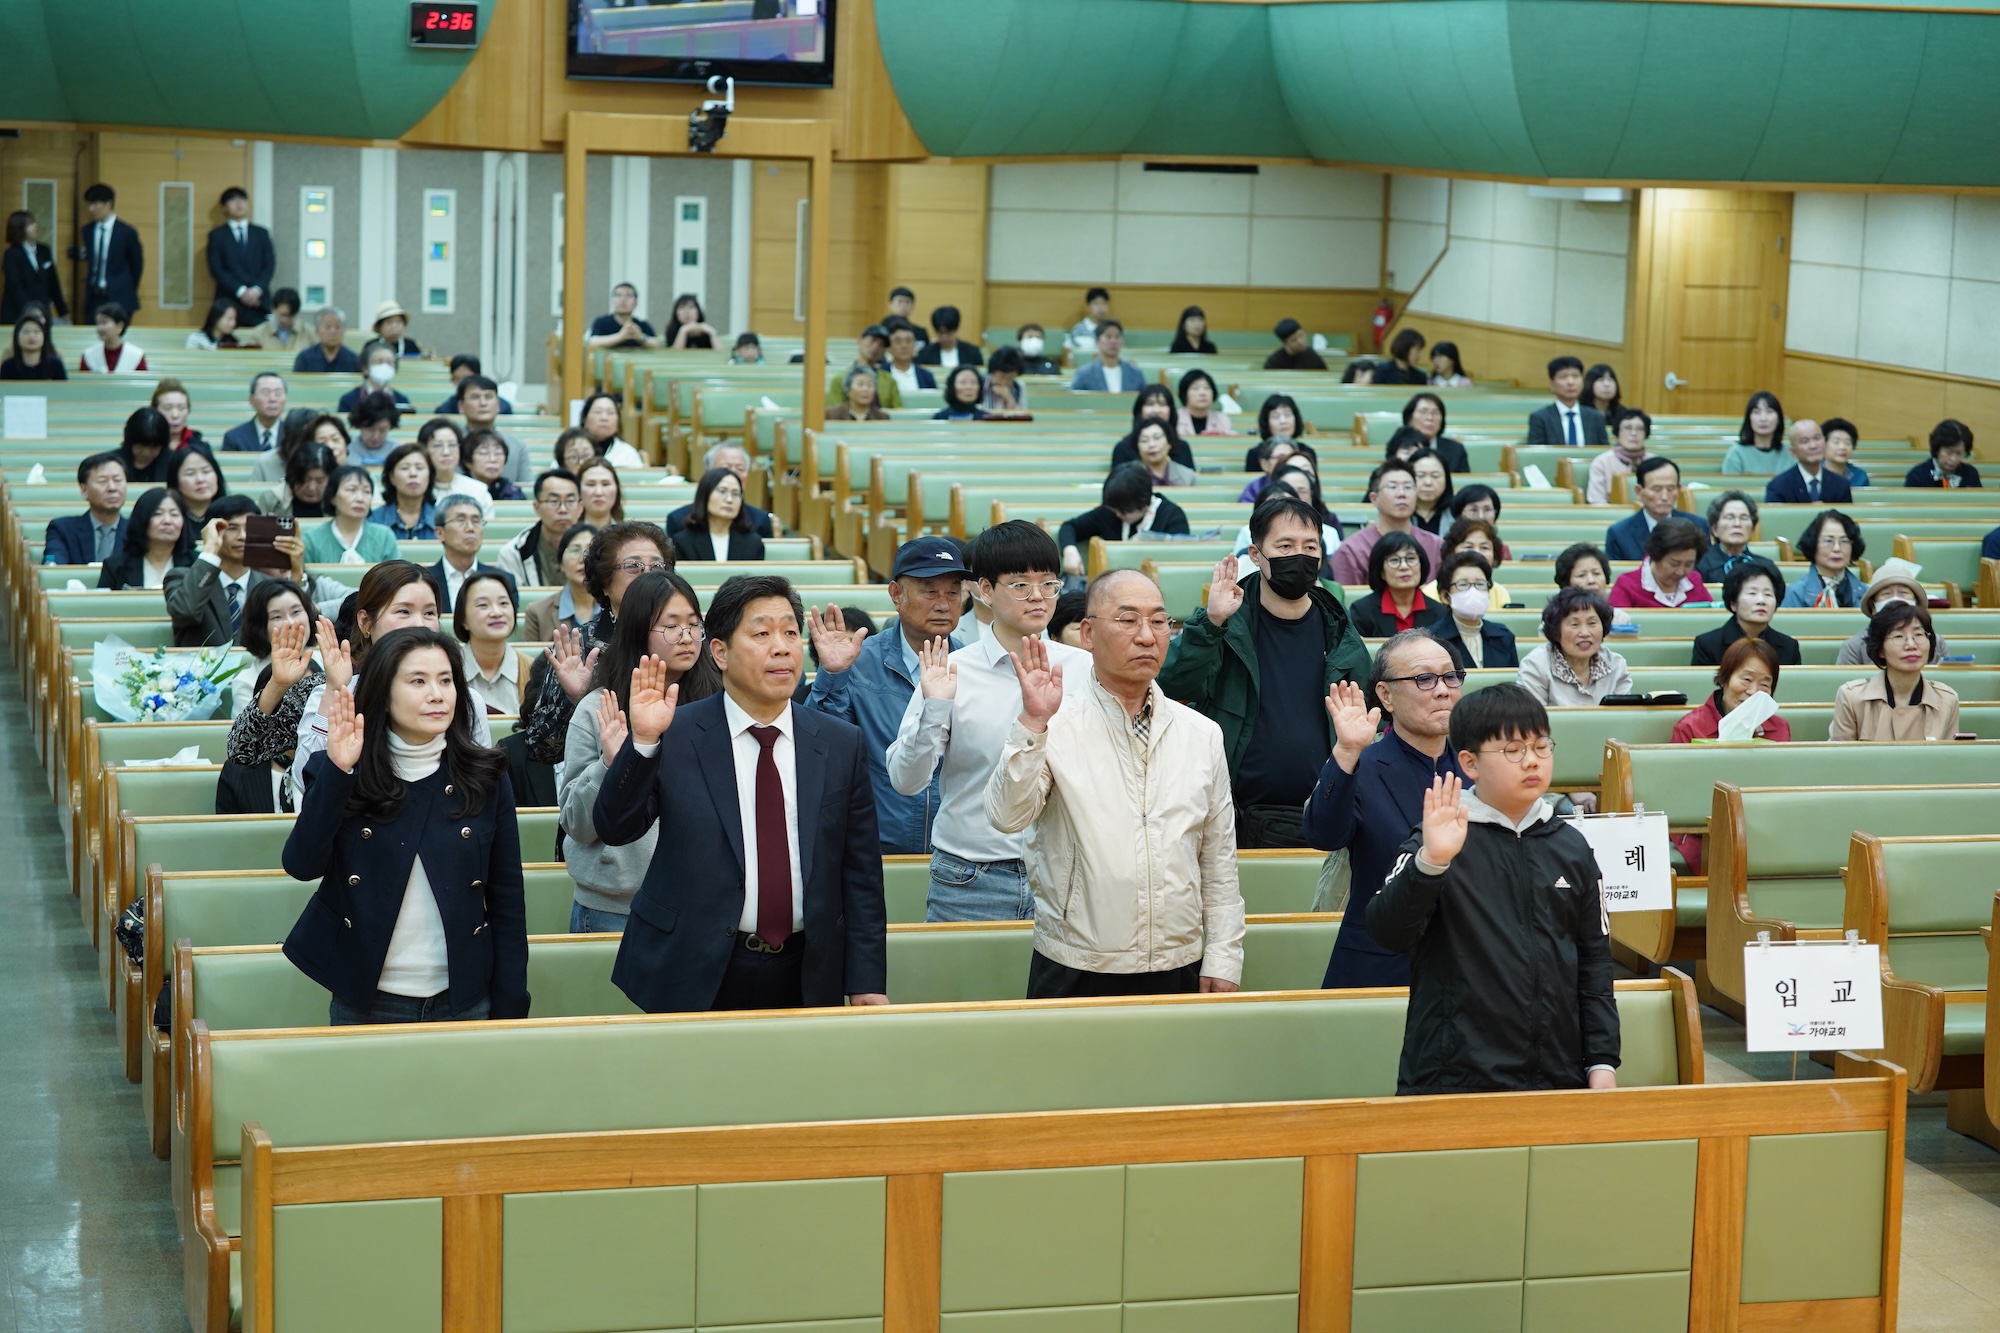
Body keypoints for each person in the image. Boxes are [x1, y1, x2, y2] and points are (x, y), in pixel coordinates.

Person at [591, 575, 890, 1012]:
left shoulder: (840, 744)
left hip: (805, 969)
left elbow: (861, 875)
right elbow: (615, 827)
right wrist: (643, 744)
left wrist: (866, 979)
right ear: (720, 652)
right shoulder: (677, 732)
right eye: (762, 634)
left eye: (790, 632)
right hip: (691, 965)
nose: (782, 647)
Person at [988, 572, 1245, 998]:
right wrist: (1032, 724)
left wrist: (1223, 954)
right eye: (1128, 620)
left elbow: (1218, 861)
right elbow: (1006, 816)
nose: (1146, 636)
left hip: (1178, 960)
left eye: (1159, 622)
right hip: (1076, 961)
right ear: (1088, 634)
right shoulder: (1053, 724)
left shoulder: (1201, 733)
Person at [1368, 687, 1620, 1095]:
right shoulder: (1440, 839)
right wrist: (1431, 862)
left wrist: (1602, 1061)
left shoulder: (1571, 846)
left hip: (1557, 1075)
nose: (1532, 760)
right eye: (1513, 750)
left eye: (1541, 746)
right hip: (1453, 1077)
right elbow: (1387, 932)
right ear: (1470, 763)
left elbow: (1594, 961)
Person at [280, 625, 527, 1025]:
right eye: (418, 681)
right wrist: (339, 771)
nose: (437, 694)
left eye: (445, 680)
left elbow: (507, 897)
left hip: (464, 996)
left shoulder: (486, 775)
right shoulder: (341, 770)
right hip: (368, 998)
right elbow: (301, 864)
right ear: (384, 691)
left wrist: (512, 1004)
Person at [886, 523, 1091, 919]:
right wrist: (935, 709)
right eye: (1020, 585)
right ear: (985, 589)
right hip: (970, 878)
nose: (1038, 596)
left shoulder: (1084, 669)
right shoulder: (952, 670)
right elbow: (905, 781)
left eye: (1049, 583)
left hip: (1065, 876)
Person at [1159, 495, 1370, 847]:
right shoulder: (1225, 624)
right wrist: (1211, 622)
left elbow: (1364, 718)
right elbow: (1174, 685)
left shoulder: (1339, 629)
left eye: (1310, 547)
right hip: (1233, 816)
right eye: (1285, 546)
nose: (1299, 556)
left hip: (1326, 813)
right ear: (1256, 555)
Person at [560, 571, 724, 931]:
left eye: (694, 625)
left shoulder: (720, 706)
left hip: (701, 903)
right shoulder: (599, 708)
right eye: (671, 626)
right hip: (614, 908)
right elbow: (575, 824)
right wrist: (609, 765)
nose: (686, 637)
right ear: (637, 631)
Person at [1309, 633, 1467, 987]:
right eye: (1424, 679)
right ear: (1385, 695)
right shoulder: (1361, 766)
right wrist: (1346, 752)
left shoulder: (1479, 767)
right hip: (1381, 967)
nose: (1443, 690)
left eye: (1450, 676)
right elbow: (1323, 834)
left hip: (1468, 969)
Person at [804, 538, 968, 855]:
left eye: (953, 592)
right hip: (875, 845)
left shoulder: (973, 665)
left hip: (959, 851)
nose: (943, 604)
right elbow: (821, 746)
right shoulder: (858, 661)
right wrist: (833, 675)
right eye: (929, 591)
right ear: (896, 594)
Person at [519, 520, 676, 764]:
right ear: (605, 583)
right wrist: (575, 700)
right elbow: (541, 749)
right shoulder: (580, 647)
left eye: (657, 566)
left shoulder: (686, 636)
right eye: (633, 566)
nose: (648, 575)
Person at [1831, 603, 1960, 741]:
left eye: (1918, 634)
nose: (1911, 645)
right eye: (1898, 636)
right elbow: (1841, 754)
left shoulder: (1947, 699)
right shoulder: (1852, 698)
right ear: (1880, 649)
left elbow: (1949, 754)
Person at [164, 497, 272, 647]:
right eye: (232, 528)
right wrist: (210, 548)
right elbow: (185, 612)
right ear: (212, 531)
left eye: (250, 528)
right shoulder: (181, 578)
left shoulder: (269, 585)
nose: (242, 536)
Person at [1056, 464, 1189, 576]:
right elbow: (1070, 526)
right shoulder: (1110, 511)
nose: (1118, 514)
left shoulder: (1172, 515)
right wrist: (1069, 550)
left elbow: (1181, 558)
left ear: (1144, 503)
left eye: (1124, 511)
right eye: (1115, 510)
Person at [1326, 459, 1442, 585]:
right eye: (1392, 487)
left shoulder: (1436, 545)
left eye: (1408, 487)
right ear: (1374, 498)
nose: (1402, 494)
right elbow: (1347, 596)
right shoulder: (1351, 550)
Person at [1517, 588, 1633, 706]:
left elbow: (1624, 715)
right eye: (1574, 624)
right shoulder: (1536, 666)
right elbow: (1532, 716)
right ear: (1556, 632)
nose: (1585, 633)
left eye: (1592, 623)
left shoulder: (1616, 665)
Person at [1672, 638, 1791, 744]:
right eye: (1747, 679)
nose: (1753, 691)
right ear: (1724, 679)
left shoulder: (1780, 727)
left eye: (1764, 684)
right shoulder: (1690, 728)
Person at [1692, 559, 1800, 667]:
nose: (1761, 601)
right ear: (1733, 603)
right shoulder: (1708, 644)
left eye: (1768, 594)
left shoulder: (1789, 647)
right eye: (1752, 593)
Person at [1422, 551, 1517, 669]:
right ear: (1445, 596)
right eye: (1463, 584)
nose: (1473, 591)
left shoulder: (1503, 636)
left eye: (1480, 584)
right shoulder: (1433, 639)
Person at [1603, 456, 1710, 561]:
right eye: (1656, 489)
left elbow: (1705, 568)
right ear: (1639, 491)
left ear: (1678, 489)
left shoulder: (1698, 526)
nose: (1664, 497)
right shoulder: (1619, 533)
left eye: (1670, 489)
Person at [1836, 565, 1945, 666]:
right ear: (1873, 607)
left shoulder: (1937, 642)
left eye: (1903, 593)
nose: (1895, 599)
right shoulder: (1853, 647)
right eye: (1886, 594)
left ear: (1916, 602)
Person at [452, 572, 528, 714]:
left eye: (503, 603)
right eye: (483, 605)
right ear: (463, 619)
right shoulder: (448, 670)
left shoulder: (532, 670)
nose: (497, 612)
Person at [666, 444, 777, 537]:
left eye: (740, 469)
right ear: (707, 473)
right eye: (725, 468)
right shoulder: (678, 520)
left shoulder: (760, 521)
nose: (733, 474)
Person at [498, 469, 582, 587]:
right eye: (553, 501)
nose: (563, 509)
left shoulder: (597, 549)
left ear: (580, 508)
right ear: (536, 508)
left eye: (570, 501)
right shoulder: (513, 553)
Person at [204, 187, 275, 324]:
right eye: (232, 200)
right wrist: (241, 291)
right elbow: (216, 269)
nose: (239, 203)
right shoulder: (217, 235)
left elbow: (269, 265)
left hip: (259, 302)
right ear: (224, 208)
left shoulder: (261, 233)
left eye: (242, 199)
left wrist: (256, 290)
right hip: (229, 299)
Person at [303, 465, 400, 564]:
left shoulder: (384, 537)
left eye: (367, 491)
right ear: (332, 497)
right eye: (351, 490)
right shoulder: (311, 539)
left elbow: (397, 573)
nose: (360, 499)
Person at [98, 489, 192, 590]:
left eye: (174, 514)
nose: (167, 521)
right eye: (158, 514)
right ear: (142, 520)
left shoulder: (196, 564)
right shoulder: (115, 567)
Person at [44, 453, 127, 565]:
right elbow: (54, 567)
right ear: (84, 490)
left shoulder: (139, 532)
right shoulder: (63, 530)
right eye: (102, 481)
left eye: (117, 480)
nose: (112, 488)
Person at [1609, 518, 1710, 609]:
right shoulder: (1627, 585)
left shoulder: (1694, 582)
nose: (1680, 572)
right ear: (1655, 555)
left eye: (1688, 565)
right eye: (1674, 564)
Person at [1346, 531, 1434, 637]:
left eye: (1411, 559)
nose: (1404, 566)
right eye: (1394, 560)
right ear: (1381, 571)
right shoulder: (1361, 612)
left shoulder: (1439, 612)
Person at [522, 523, 598, 642]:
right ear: (561, 563)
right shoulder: (537, 613)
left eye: (591, 550)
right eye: (574, 550)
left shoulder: (618, 608)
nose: (583, 558)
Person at [427, 495, 505, 611]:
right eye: (460, 520)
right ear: (440, 533)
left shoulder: (502, 581)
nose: (470, 528)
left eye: (476, 521)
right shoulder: (424, 581)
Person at [673, 467, 765, 562]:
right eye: (722, 491)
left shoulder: (753, 543)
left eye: (735, 494)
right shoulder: (682, 542)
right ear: (705, 495)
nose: (729, 500)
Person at [1780, 509, 1866, 608]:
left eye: (1844, 541)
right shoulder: (1795, 594)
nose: (1837, 548)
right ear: (1813, 544)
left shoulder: (1866, 593)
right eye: (1829, 541)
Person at [79, 183, 143, 317]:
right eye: (89, 204)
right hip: (94, 297)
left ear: (108, 204)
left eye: (95, 204)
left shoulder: (126, 232)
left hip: (120, 296)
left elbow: (136, 265)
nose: (91, 209)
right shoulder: (87, 231)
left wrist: (126, 287)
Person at [1428, 517, 1511, 608]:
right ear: (1451, 551)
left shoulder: (1500, 592)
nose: (1476, 553)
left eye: (1484, 547)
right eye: (1468, 547)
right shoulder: (1430, 592)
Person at [1524, 356, 1606, 447]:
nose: (1570, 382)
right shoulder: (1540, 418)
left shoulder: (1595, 417)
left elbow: (1604, 450)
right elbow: (1536, 452)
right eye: (1563, 377)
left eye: (1575, 376)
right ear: (1551, 385)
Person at [1109, 385, 1195, 470]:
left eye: (1162, 404)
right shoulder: (1124, 448)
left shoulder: (1182, 448)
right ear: (1140, 410)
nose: (1156, 410)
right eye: (1150, 404)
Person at [1766, 419, 1851, 504]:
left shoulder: (1841, 484)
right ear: (1793, 452)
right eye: (1805, 441)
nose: (1813, 446)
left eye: (1817, 438)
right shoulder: (1778, 486)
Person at [2, 209, 66, 322]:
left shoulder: (44, 250)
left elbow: (53, 283)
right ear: (19, 229)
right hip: (17, 314)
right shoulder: (11, 254)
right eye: (30, 224)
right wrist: (30, 310)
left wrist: (63, 312)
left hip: (42, 312)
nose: (35, 226)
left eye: (34, 222)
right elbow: (15, 287)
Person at [422, 419, 494, 517]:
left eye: (452, 445)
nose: (446, 452)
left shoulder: (478, 490)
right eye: (438, 445)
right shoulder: (415, 489)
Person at [369, 442, 439, 540]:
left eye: (419, 468)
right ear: (391, 477)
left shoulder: (443, 519)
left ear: (429, 476)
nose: (413, 474)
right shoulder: (373, 520)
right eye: (404, 468)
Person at [1585, 409, 1651, 505]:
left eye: (1639, 429)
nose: (1634, 433)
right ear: (1617, 432)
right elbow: (1596, 502)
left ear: (1646, 434)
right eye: (1628, 428)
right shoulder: (1601, 463)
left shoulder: (1656, 463)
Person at [828, 326, 900, 408]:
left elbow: (898, 412)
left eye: (881, 345)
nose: (875, 347)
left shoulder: (889, 380)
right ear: (859, 340)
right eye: (872, 340)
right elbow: (836, 412)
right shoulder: (840, 379)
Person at [1696, 490, 1760, 582]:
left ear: (1752, 529)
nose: (1737, 524)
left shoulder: (1765, 566)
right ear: (1714, 529)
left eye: (1744, 518)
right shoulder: (1699, 566)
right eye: (1730, 517)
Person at [1398, 392, 1469, 472]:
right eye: (1423, 412)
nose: (1430, 418)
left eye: (1435, 413)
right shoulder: (1399, 447)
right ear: (1410, 418)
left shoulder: (1456, 450)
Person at [1070, 320, 1146, 392]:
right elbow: (1074, 399)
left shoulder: (1135, 373)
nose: (1113, 341)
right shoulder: (1084, 374)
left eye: (1117, 337)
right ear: (1097, 341)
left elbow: (1144, 399)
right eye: (1108, 336)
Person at [1722, 392, 1787, 475]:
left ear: (1779, 419)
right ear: (1749, 419)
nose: (1763, 419)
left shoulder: (1789, 453)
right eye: (1756, 412)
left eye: (1769, 411)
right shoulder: (1736, 453)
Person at [339, 346, 415, 416]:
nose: (385, 366)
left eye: (389, 362)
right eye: (379, 361)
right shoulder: (349, 400)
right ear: (365, 368)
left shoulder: (401, 399)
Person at [576, 392, 646, 468]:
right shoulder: (573, 450)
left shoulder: (628, 454)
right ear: (584, 419)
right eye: (598, 412)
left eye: (610, 413)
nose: (604, 418)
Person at [223, 372, 288, 453]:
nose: (272, 399)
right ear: (251, 400)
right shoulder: (234, 437)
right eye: (266, 393)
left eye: (278, 393)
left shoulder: (296, 436)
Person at [1906, 419, 1982, 488]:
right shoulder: (1917, 475)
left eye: (1959, 453)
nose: (1953, 459)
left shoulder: (1971, 473)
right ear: (1937, 449)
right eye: (1948, 452)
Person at [588, 282, 662, 350]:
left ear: (636, 303)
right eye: (618, 295)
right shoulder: (602, 322)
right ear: (612, 302)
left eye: (628, 296)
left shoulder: (642, 325)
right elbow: (592, 342)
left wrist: (640, 337)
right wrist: (620, 336)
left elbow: (656, 344)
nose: (623, 300)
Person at [166, 446, 225, 529]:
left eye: (206, 471)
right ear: (175, 481)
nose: (200, 479)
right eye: (190, 473)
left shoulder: (232, 515)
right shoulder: (169, 522)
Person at [79, 302, 146, 374]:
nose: (99, 328)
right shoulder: (89, 355)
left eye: (104, 323)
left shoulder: (136, 356)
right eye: (98, 323)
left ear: (120, 326)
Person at [463, 427, 526, 502]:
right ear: (468, 462)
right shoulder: (459, 489)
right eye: (484, 453)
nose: (493, 459)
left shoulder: (512, 491)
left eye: (498, 453)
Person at [1, 307, 65, 380]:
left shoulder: (55, 365)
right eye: (26, 332)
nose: (31, 336)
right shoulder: (8, 366)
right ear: (16, 337)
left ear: (44, 337)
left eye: (36, 332)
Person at [1129, 419, 1196, 488]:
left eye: (1157, 438)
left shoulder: (1187, 475)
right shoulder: (1128, 476)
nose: (1151, 445)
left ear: (1169, 443)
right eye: (1144, 440)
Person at [436, 357, 514, 415]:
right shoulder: (444, 411)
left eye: (467, 379)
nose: (462, 383)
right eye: (457, 379)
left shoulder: (503, 408)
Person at [114, 406, 173, 483]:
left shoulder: (174, 463)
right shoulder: (111, 462)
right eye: (140, 446)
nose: (146, 453)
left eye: (153, 447)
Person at [292, 307, 358, 374]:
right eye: (328, 327)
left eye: (337, 327)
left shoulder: (354, 360)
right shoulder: (304, 358)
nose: (333, 332)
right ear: (317, 332)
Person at [916, 305, 982, 368]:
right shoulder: (925, 354)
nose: (944, 337)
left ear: (955, 330)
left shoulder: (972, 353)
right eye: (940, 333)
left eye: (948, 332)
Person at [883, 321, 936, 399]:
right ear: (889, 347)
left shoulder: (926, 376)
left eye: (908, 341)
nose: (904, 346)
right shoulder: (881, 374)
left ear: (915, 345)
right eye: (898, 341)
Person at [1176, 368, 1232, 437]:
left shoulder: (1223, 420)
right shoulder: (1174, 418)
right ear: (1184, 394)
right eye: (1195, 388)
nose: (1202, 393)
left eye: (1206, 388)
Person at [825, 365, 892, 421]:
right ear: (848, 390)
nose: (865, 389)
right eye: (860, 384)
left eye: (869, 385)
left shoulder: (882, 417)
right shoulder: (832, 415)